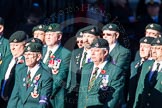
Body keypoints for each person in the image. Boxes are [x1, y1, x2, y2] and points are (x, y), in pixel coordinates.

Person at [78, 38, 125, 108]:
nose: (92, 53)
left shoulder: (116, 71)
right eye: (91, 50)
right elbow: (82, 94)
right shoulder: (86, 67)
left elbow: (114, 98)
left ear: (105, 52)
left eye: (96, 51)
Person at [7, 42, 52, 108]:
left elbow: (43, 102)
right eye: (25, 54)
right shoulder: (21, 73)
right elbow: (14, 97)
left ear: (38, 56)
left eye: (30, 54)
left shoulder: (45, 76)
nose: (26, 57)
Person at [66, 25, 100, 108]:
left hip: (90, 95)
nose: (86, 39)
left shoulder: (100, 55)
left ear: (98, 38)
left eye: (89, 36)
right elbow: (71, 76)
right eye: (84, 36)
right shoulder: (75, 52)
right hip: (73, 95)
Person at [42, 23, 71, 108]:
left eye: (50, 35)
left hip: (53, 97)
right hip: (36, 96)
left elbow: (61, 77)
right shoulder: (41, 50)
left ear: (59, 37)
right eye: (46, 34)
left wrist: (45, 92)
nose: (47, 37)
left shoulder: (66, 53)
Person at [0, 31, 27, 108]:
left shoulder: (27, 62)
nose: (13, 48)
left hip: (16, 102)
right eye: (11, 45)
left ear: (24, 45)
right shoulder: (7, 59)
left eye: (16, 45)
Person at [133, 37, 162, 108]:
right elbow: (140, 88)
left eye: (158, 48)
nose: (154, 51)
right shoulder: (146, 64)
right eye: (152, 48)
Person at [128, 37, 154, 108]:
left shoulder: (154, 65)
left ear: (152, 49)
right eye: (141, 46)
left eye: (145, 47)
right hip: (132, 102)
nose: (142, 49)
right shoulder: (134, 64)